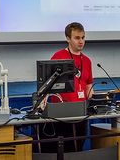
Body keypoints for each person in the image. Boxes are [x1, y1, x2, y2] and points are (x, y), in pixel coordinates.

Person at [38, 22, 94, 153]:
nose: (81, 41)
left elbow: (88, 86)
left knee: (78, 150)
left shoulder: (87, 61)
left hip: (81, 115)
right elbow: (47, 86)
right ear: (68, 39)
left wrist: (95, 101)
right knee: (64, 151)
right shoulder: (58, 57)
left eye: (83, 37)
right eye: (77, 38)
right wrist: (42, 103)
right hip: (62, 116)